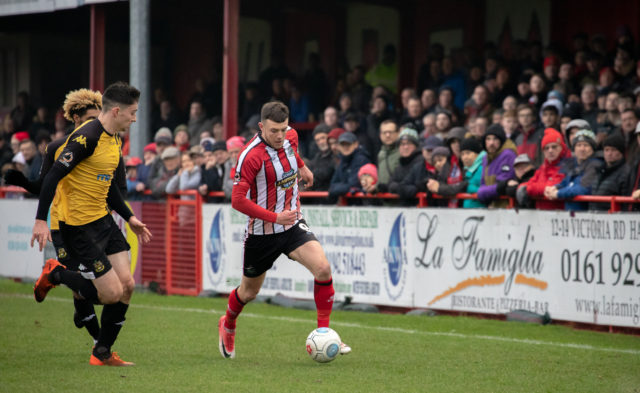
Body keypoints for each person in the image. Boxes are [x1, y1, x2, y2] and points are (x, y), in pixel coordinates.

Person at [30, 82, 152, 366]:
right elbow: (51, 178)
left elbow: (109, 186)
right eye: (133, 113)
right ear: (117, 111)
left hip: (104, 222)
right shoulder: (86, 138)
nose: (135, 119)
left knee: (128, 286)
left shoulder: (114, 139)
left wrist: (130, 217)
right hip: (79, 229)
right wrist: (40, 220)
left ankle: (102, 353)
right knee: (111, 294)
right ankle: (56, 274)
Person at [219, 101, 350, 359]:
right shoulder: (250, 155)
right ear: (261, 127)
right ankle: (229, 323)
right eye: (273, 131)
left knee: (322, 268)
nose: (279, 136)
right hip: (262, 233)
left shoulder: (291, 136)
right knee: (249, 292)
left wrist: (302, 166)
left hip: (292, 224)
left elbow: (292, 152)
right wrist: (274, 217)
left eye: (283, 129)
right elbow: (237, 200)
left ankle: (323, 332)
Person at [4, 88, 109, 343]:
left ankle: (61, 279)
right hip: (66, 223)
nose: (93, 126)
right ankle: (99, 344)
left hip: (96, 221)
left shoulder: (104, 144)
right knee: (92, 287)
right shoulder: (57, 147)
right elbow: (45, 184)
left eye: (97, 120)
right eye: (88, 120)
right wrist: (23, 183)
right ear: (75, 119)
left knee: (89, 287)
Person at [544, 130, 602, 211]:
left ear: (592, 148)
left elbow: (583, 189)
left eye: (586, 145)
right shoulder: (573, 164)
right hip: (572, 214)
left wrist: (558, 193)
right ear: (574, 148)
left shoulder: (595, 165)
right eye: (578, 145)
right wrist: (554, 187)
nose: (582, 149)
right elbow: (566, 182)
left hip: (586, 215)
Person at [524, 128, 572, 210]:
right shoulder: (542, 168)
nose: (550, 151)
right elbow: (529, 186)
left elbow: (554, 186)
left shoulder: (568, 166)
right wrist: (544, 189)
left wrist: (536, 188)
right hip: (541, 216)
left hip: (560, 216)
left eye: (554, 147)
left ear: (562, 147)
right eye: (547, 148)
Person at [477, 124, 517, 208]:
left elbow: (502, 186)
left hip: (506, 207)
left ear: (501, 141)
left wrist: (482, 192)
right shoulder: (485, 157)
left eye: (495, 139)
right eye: (488, 139)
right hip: (493, 207)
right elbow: (483, 184)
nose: (491, 143)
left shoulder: (508, 155)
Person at [589, 134, 631, 211]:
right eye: (606, 150)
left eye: (613, 150)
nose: (609, 153)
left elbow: (625, 201)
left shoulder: (626, 172)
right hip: (595, 217)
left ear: (621, 152)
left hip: (613, 218)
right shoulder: (599, 170)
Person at [328, 131, 371, 201]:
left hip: (362, 203)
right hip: (348, 204)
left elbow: (354, 184)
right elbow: (333, 184)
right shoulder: (342, 160)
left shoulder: (361, 159)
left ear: (356, 144)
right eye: (342, 145)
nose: (345, 147)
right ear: (339, 146)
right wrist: (342, 187)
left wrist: (337, 188)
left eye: (348, 144)